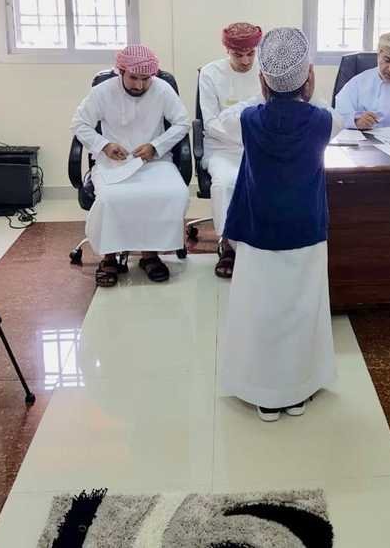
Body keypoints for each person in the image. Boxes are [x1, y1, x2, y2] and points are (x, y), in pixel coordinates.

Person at [219, 27, 343, 422]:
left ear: (262, 79)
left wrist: (264, 95)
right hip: (305, 229)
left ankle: (263, 392)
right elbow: (332, 115)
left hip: (259, 228)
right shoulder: (325, 121)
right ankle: (296, 390)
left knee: (260, 308)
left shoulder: (247, 119)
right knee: (302, 307)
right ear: (309, 77)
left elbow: (219, 122)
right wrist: (307, 93)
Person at [71, 44, 190, 287]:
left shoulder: (162, 89)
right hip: (114, 163)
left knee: (174, 192)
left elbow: (182, 123)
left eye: (146, 79)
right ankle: (109, 258)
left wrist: (156, 146)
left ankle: (150, 255)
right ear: (121, 71)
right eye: (134, 78)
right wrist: (104, 145)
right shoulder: (103, 91)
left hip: (154, 162)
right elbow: (79, 123)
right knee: (110, 199)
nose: (140, 85)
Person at [198, 22, 262, 278]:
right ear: (227, 50)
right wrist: (241, 134)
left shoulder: (265, 71)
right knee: (226, 184)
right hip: (222, 148)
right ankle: (227, 245)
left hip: (258, 146)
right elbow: (210, 122)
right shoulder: (210, 73)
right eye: (238, 54)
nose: (245, 61)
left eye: (251, 54)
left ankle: (259, 244)